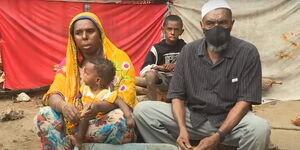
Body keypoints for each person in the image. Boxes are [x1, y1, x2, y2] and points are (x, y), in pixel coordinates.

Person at [133, 0, 271, 150]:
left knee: (260, 129)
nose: (216, 28)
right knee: (143, 111)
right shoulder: (188, 51)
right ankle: (177, 147)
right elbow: (177, 95)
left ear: (231, 24)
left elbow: (245, 101)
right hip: (194, 117)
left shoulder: (247, 52)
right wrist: (182, 130)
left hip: (231, 121)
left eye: (222, 22)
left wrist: (218, 136)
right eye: (210, 23)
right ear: (202, 25)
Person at [34, 12, 138, 149]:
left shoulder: (119, 59)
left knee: (120, 120)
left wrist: (97, 107)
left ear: (100, 34)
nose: (84, 37)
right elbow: (54, 93)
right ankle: (71, 143)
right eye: (78, 33)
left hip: (104, 120)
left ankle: (74, 142)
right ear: (73, 38)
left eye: (90, 31)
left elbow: (126, 99)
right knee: (42, 116)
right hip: (75, 121)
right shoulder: (69, 64)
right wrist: (64, 107)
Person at [68, 57, 135, 148]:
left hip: (96, 120)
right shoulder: (85, 87)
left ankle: (79, 140)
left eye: (86, 73)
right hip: (84, 119)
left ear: (97, 80)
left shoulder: (105, 94)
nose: (83, 74)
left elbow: (120, 102)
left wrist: (129, 117)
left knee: (86, 114)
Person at [139, 15, 186, 101]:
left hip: (179, 80)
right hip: (162, 81)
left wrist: (177, 66)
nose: (172, 32)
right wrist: (158, 67)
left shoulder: (186, 48)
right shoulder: (156, 48)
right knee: (150, 75)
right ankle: (153, 104)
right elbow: (143, 70)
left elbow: (193, 67)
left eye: (176, 30)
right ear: (163, 30)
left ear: (181, 31)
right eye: (169, 29)